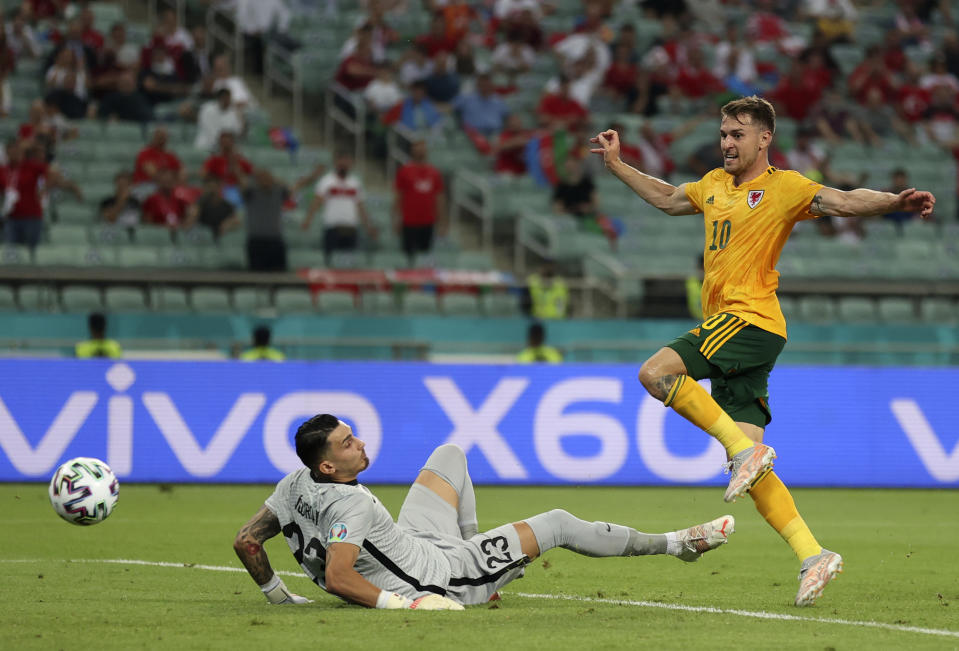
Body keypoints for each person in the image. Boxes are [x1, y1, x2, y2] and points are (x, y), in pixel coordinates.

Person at [589, 95, 935, 606]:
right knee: (748, 474)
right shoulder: (710, 185)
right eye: (724, 134)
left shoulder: (784, 188)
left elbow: (840, 200)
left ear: (764, 139)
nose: (727, 143)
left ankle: (745, 450)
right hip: (736, 333)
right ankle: (813, 554)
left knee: (655, 373)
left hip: (749, 320)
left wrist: (891, 203)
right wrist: (617, 165)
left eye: (738, 134)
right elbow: (665, 197)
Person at [233, 415, 734, 608]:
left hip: (416, 544)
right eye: (347, 444)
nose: (360, 445)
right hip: (441, 578)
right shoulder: (352, 504)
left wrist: (279, 598)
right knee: (558, 521)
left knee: (450, 453)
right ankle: (678, 544)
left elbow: (247, 540)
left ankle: (483, 560)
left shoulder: (294, 482)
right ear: (327, 462)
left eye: (354, 433)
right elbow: (341, 575)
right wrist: (404, 606)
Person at [302, 152, 376, 266]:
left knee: (349, 261)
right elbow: (316, 201)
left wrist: (368, 226)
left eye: (346, 162)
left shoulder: (355, 183)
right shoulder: (326, 181)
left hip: (350, 227)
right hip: (332, 226)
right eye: (341, 163)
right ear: (336, 163)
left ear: (350, 164)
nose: (344, 165)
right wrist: (308, 219)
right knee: (329, 261)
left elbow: (361, 207)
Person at [394, 140, 444, 266]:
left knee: (425, 258)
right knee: (408, 258)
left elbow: (439, 198)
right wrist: (396, 218)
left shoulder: (434, 173)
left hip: (428, 222)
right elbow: (398, 196)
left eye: (422, 147)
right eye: (417, 147)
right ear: (412, 150)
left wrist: (442, 221)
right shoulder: (404, 171)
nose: (420, 150)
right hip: (409, 222)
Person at [243, 166, 289, 272]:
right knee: (256, 275)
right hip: (256, 240)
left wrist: (276, 180)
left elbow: (290, 188)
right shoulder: (251, 192)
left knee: (279, 273)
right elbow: (243, 186)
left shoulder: (278, 191)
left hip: (275, 240)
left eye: (267, 178)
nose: (265, 181)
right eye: (262, 178)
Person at [194, 88, 244, 152]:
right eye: (225, 98)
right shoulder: (207, 109)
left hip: (225, 149)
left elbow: (238, 132)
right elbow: (209, 130)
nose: (228, 100)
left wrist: (240, 116)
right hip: (205, 146)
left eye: (229, 98)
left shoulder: (233, 112)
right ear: (220, 98)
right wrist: (222, 144)